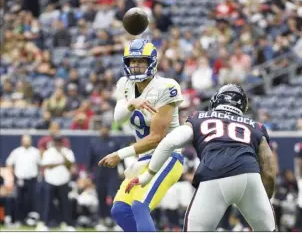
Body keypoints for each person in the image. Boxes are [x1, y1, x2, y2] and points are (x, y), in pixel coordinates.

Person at [125, 84, 277, 231]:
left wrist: (148, 175)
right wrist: (264, 198)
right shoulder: (256, 127)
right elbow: (269, 170)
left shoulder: (200, 117)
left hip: (214, 175)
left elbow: (169, 142)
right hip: (249, 177)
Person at [98, 38, 184, 232]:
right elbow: (119, 118)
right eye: (132, 61)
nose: (136, 66)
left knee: (139, 205)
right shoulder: (125, 84)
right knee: (120, 210)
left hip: (166, 156)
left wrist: (120, 155)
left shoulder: (166, 87)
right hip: (143, 158)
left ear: (151, 62)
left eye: (141, 61)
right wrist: (131, 103)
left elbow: (157, 137)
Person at [37, 135, 76, 231]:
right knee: (48, 204)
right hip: (50, 181)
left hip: (63, 181)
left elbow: (71, 164)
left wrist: (63, 156)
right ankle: (45, 224)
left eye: (60, 141)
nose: (58, 143)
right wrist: (59, 163)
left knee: (65, 204)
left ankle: (67, 224)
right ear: (53, 142)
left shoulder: (67, 152)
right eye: (56, 142)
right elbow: (46, 165)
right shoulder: (48, 152)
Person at [87, 124, 121, 231]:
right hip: (99, 176)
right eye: (102, 127)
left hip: (112, 175)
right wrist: (89, 176)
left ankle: (116, 222)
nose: (104, 130)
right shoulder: (94, 143)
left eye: (106, 128)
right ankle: (102, 221)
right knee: (101, 198)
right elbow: (90, 161)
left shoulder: (115, 142)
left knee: (114, 198)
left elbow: (121, 160)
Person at [5, 135, 40, 226]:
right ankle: (18, 220)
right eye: (25, 140)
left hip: (32, 179)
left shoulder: (35, 152)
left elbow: (41, 164)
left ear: (31, 141)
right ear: (21, 141)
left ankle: (30, 221)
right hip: (20, 179)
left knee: (31, 200)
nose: (26, 142)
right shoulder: (17, 151)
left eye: (28, 140)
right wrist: (13, 174)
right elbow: (9, 163)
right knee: (19, 200)